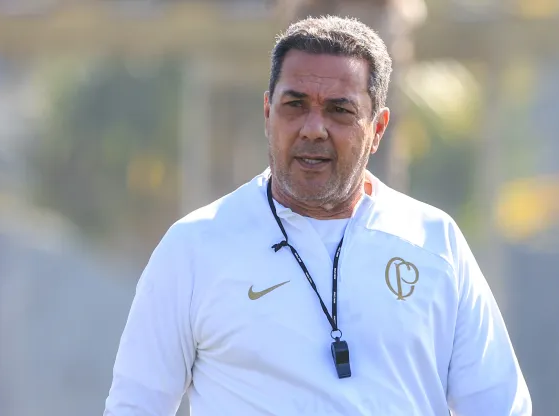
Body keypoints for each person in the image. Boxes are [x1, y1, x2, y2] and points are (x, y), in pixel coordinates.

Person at [104, 15, 532, 416]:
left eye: (339, 110)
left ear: (378, 129)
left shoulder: (434, 241)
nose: (313, 128)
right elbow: (134, 404)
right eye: (295, 105)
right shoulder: (194, 246)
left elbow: (498, 404)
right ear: (268, 113)